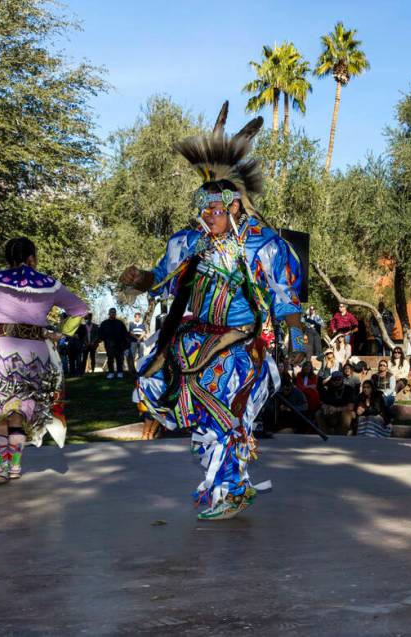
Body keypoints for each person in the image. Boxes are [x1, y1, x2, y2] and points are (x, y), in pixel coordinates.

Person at [120, 102, 306, 520]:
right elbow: (161, 278)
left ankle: (232, 490)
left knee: (225, 412)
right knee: (160, 390)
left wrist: (295, 337)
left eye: (216, 207)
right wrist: (140, 279)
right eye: (202, 206)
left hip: (240, 346)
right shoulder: (188, 242)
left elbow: (284, 298)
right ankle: (225, 485)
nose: (207, 213)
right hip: (194, 340)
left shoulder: (263, 244)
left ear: (236, 205)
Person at [0, 237, 88, 483]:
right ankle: (14, 467)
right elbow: (79, 309)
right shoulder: (49, 285)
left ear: (7, 258)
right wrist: (59, 333)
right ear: (32, 258)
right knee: (20, 414)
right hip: (36, 356)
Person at [316, 371, 358, 435]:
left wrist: (336, 409)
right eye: (334, 379)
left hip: (343, 414)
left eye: (339, 379)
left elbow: (351, 407)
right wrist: (324, 407)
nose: (336, 381)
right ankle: (326, 435)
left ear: (342, 379)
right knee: (318, 413)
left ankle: (340, 436)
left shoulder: (349, 389)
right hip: (331, 414)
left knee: (347, 414)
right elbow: (324, 402)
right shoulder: (329, 389)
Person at [96, 308, 129, 379]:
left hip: (119, 345)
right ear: (109, 313)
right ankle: (111, 373)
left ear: (115, 313)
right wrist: (99, 340)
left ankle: (120, 372)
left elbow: (125, 334)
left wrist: (125, 345)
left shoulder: (120, 323)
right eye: (111, 312)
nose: (113, 313)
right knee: (110, 359)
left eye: (114, 312)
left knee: (119, 359)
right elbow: (100, 334)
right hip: (109, 345)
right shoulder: (104, 323)